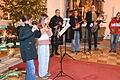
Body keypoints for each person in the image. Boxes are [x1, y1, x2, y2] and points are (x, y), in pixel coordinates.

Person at [17, 14, 41, 80]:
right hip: (26, 50)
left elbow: (38, 35)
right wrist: (32, 31)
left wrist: (37, 29)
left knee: (29, 68)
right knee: (32, 69)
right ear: (28, 20)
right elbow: (21, 37)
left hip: (31, 50)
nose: (32, 20)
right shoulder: (21, 28)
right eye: (31, 19)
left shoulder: (31, 27)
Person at [37, 14, 52, 79]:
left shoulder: (46, 26)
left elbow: (50, 35)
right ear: (43, 19)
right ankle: (41, 74)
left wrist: (49, 31)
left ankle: (45, 72)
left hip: (46, 43)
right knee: (42, 59)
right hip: (41, 44)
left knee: (46, 58)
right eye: (47, 19)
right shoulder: (39, 26)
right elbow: (39, 35)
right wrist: (45, 29)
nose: (48, 20)